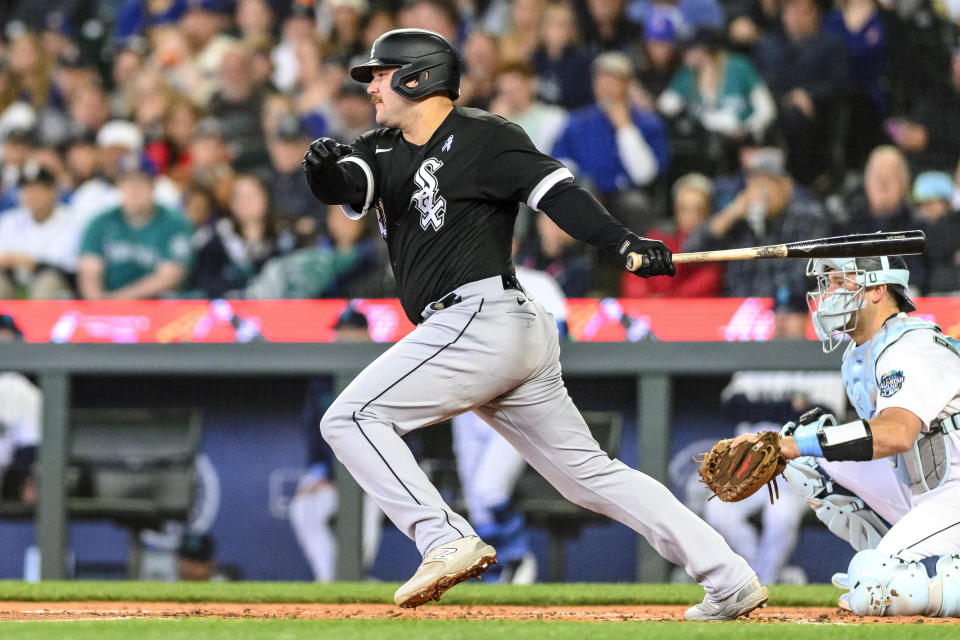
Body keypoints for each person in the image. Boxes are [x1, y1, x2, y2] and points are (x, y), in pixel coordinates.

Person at [302, 27, 766, 619]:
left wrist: (622, 241)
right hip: (492, 330)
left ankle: (443, 538)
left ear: (417, 78)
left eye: (380, 75)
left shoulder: (486, 136)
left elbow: (558, 194)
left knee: (351, 416)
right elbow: (346, 186)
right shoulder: (381, 147)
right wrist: (322, 172)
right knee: (589, 477)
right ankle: (728, 577)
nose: (370, 87)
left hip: (481, 316)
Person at [731, 255, 960, 617]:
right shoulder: (861, 353)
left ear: (878, 290)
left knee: (877, 587)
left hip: (954, 491)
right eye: (830, 284)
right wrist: (795, 443)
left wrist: (792, 443)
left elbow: (895, 434)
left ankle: (895, 573)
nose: (829, 294)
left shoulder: (910, 347)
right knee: (806, 459)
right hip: (926, 486)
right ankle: (885, 558)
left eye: (841, 283)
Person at [77, 155, 192, 300]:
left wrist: (118, 300)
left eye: (140, 183)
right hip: (107, 306)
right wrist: (98, 303)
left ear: (152, 186)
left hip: (159, 307)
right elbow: (89, 271)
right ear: (118, 185)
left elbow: (169, 277)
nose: (133, 190)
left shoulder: (175, 223)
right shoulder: (100, 222)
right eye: (127, 182)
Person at [0, 162, 81, 299]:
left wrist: (32, 262)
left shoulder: (72, 220)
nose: (32, 195)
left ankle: (39, 320)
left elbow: (66, 266)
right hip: (15, 279)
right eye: (27, 190)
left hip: (58, 283)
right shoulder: (10, 219)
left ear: (53, 192)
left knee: (47, 282)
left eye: (38, 190)